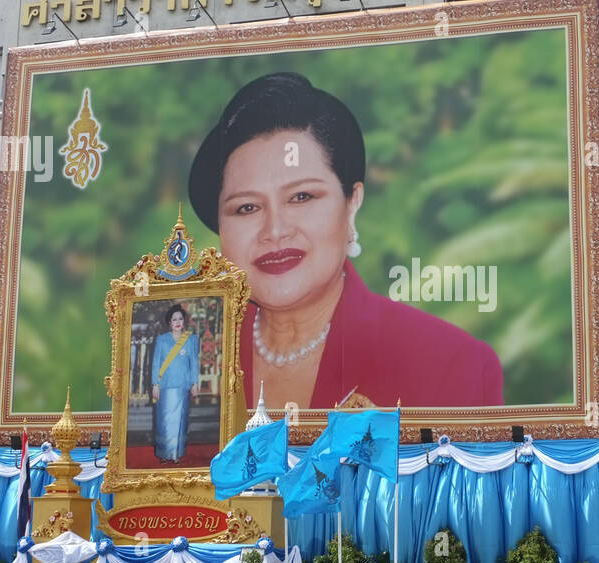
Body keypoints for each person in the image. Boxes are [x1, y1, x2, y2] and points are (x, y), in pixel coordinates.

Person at [187, 72, 503, 411]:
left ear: (351, 204)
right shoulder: (185, 357)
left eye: (302, 197)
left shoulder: (452, 366)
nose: (275, 230)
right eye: (246, 207)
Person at [150, 304, 199, 463]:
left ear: (184, 321)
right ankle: (164, 453)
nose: (177, 322)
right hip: (165, 386)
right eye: (174, 319)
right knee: (165, 421)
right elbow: (156, 363)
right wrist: (155, 384)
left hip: (182, 386)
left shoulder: (191, 339)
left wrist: (195, 383)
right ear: (169, 323)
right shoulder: (162, 340)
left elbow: (194, 363)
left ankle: (176, 453)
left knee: (180, 420)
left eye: (180, 319)